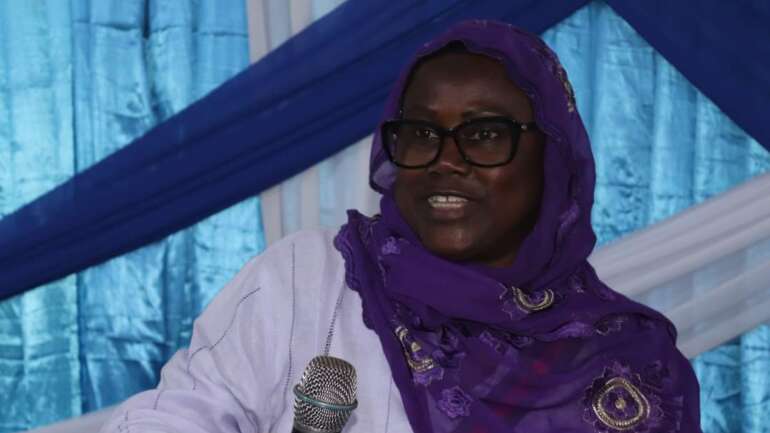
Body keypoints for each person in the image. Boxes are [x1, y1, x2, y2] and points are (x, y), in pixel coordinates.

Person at [101, 20, 701, 433]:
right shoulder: (310, 280)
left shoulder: (630, 364)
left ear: (552, 158)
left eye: (484, 134)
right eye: (420, 133)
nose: (446, 159)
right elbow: (171, 417)